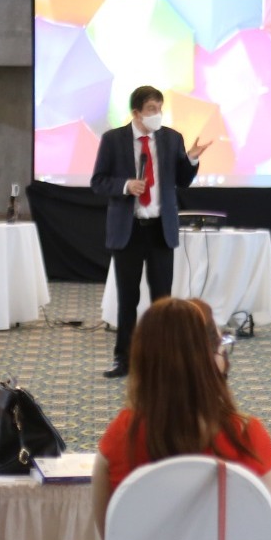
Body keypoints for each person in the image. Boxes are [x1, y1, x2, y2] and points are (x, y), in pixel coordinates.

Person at [83, 297, 271, 540]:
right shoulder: (248, 438)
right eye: (221, 343)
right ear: (212, 358)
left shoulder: (119, 438)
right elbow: (265, 537)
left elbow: (111, 537)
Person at [90, 86, 214, 378]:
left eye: (159, 108)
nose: (157, 114)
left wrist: (192, 159)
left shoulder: (172, 138)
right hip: (129, 230)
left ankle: (164, 361)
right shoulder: (113, 140)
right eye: (151, 109)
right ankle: (124, 359)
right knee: (128, 299)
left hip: (160, 229)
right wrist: (125, 186)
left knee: (163, 301)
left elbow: (182, 179)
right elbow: (98, 181)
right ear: (136, 113)